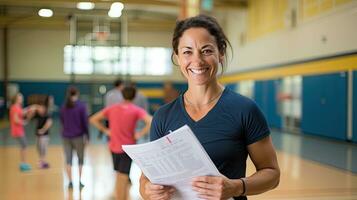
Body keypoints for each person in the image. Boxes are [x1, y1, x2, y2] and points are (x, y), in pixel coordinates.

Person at [139, 15, 280, 200]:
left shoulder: (245, 110)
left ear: (220, 52)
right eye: (187, 52)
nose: (197, 61)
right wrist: (148, 191)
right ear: (177, 57)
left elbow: (272, 173)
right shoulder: (163, 116)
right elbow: (146, 180)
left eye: (206, 51)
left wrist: (237, 187)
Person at [90, 86, 152, 200]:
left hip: (113, 147)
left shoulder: (112, 108)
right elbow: (151, 121)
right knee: (123, 177)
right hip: (127, 149)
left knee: (119, 175)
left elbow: (93, 119)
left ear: (122, 95)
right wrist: (140, 133)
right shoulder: (136, 110)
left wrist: (106, 131)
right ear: (134, 96)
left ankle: (119, 196)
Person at [60, 87, 89, 189]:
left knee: (68, 160)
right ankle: (80, 182)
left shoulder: (64, 106)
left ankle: (70, 182)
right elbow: (85, 123)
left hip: (66, 136)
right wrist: (87, 135)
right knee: (80, 159)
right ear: (77, 93)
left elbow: (62, 121)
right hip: (78, 136)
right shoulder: (81, 106)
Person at [9, 93, 36, 172]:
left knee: (23, 146)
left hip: (19, 130)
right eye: (20, 97)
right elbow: (15, 119)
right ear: (16, 99)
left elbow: (22, 112)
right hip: (17, 131)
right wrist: (23, 122)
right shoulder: (14, 107)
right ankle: (23, 164)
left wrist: (29, 110)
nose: (22, 98)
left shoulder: (18, 107)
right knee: (24, 146)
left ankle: (23, 163)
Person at [33, 95, 54, 169]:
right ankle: (41, 161)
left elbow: (49, 122)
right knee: (39, 147)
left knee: (43, 147)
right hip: (38, 132)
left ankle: (42, 161)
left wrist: (43, 130)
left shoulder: (48, 111)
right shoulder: (40, 109)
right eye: (51, 100)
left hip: (44, 134)